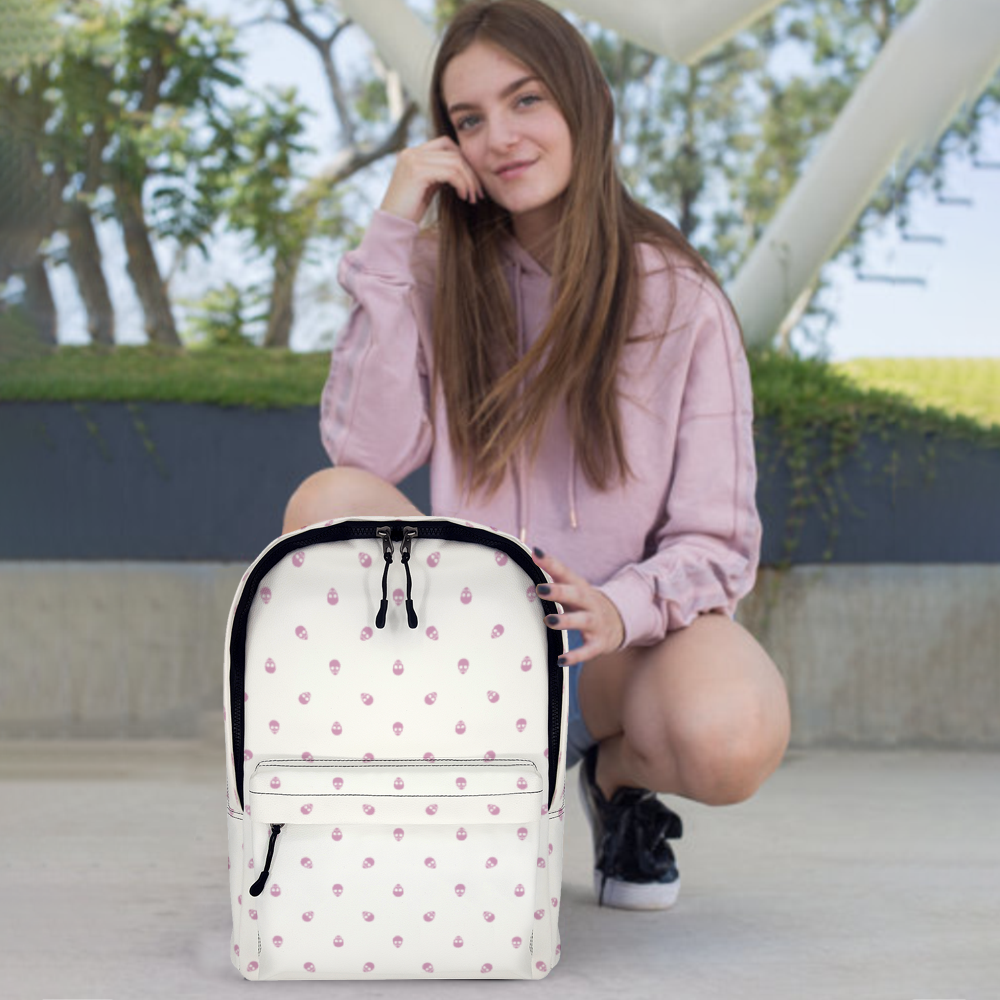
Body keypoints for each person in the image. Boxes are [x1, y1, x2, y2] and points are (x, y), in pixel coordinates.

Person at [282, 0, 791, 912]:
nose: (499, 138)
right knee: (328, 498)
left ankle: (613, 784)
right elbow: (365, 449)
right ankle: (449, 791)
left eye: (525, 101)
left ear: (584, 104)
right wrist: (395, 228)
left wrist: (618, 606)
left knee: (732, 732)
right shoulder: (434, 273)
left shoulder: (679, 297)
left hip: (612, 651)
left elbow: (718, 541)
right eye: (468, 120)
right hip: (463, 639)